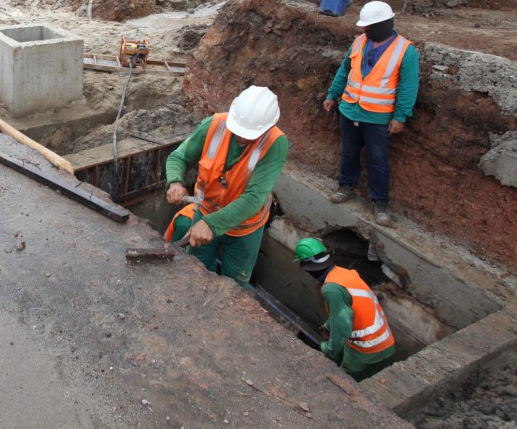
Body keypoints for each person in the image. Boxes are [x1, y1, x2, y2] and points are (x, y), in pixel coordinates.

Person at [164, 85, 289, 288]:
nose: (242, 137)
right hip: (205, 214)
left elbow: (254, 198)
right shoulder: (214, 126)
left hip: (245, 230)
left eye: (250, 135)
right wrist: (175, 181)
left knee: (235, 287)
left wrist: (212, 224)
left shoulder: (275, 144)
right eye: (239, 130)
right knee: (193, 271)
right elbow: (179, 156)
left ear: (268, 127)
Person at [323, 1, 419, 226]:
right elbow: (344, 70)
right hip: (349, 109)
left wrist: (400, 116)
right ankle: (346, 186)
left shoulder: (405, 50)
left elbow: (408, 86)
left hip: (377, 117)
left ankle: (380, 203)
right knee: (349, 152)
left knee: (378, 160)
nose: (366, 31)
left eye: (370, 27)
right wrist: (332, 94)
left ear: (387, 23)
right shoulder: (359, 42)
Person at [293, 237, 396, 381]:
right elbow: (351, 309)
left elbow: (342, 327)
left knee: (343, 381)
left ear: (308, 268)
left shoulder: (331, 289)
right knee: (367, 379)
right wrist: (329, 325)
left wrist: (328, 349)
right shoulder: (343, 274)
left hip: (366, 348)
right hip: (385, 343)